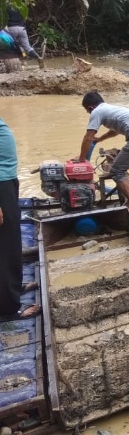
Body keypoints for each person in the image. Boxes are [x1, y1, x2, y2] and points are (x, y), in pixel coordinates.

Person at [0, 118, 41, 322]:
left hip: (6, 179)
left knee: (12, 239)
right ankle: (7, 309)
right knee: (4, 246)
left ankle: (13, 288)